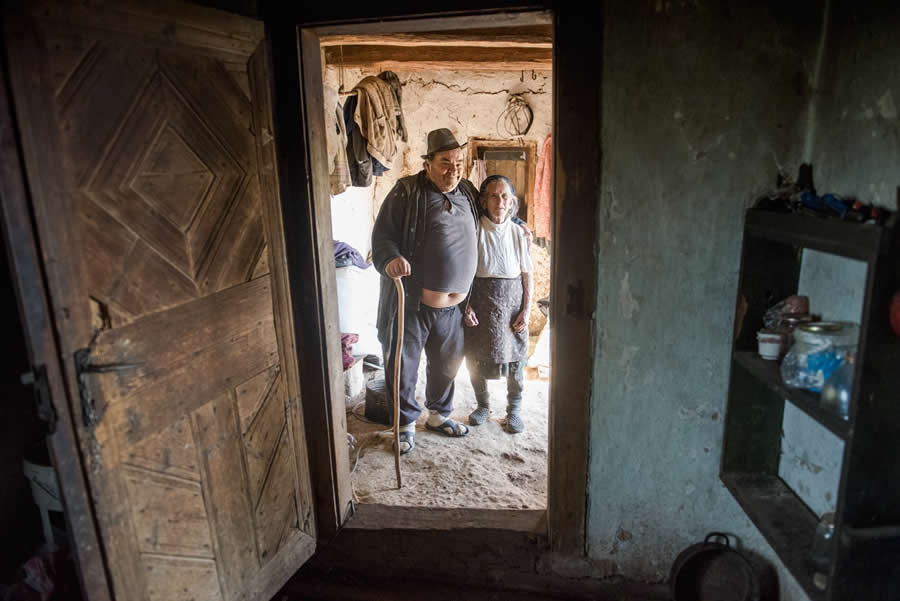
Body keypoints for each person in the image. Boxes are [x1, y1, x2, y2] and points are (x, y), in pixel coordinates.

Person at [371, 128, 478, 455]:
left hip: (454, 308)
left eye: (458, 161)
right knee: (403, 365)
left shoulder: (469, 193)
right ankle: (404, 425)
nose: (453, 169)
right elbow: (383, 236)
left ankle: (438, 416)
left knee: (447, 365)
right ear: (427, 163)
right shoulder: (407, 192)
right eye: (445, 162)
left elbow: (491, 220)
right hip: (413, 304)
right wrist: (391, 258)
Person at [464, 175, 533, 433]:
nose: (499, 201)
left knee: (516, 359)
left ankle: (513, 411)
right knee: (474, 356)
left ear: (512, 202)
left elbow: (528, 274)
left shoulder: (518, 232)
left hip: (513, 303)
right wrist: (466, 306)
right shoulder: (475, 230)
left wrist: (525, 311)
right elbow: (466, 273)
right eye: (493, 195)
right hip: (481, 302)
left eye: (504, 196)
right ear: (483, 200)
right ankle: (482, 405)